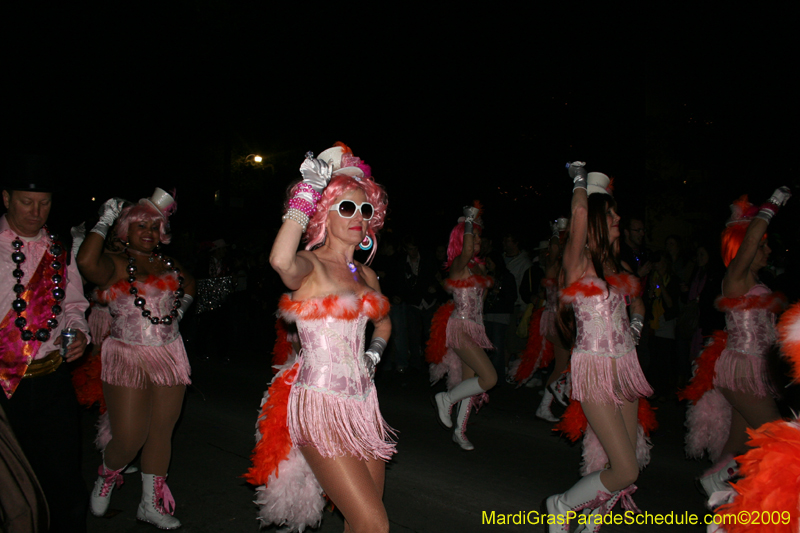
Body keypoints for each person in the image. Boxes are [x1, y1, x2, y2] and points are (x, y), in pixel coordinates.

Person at [257, 144, 393, 533]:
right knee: (374, 524)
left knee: (360, 521)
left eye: (365, 210)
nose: (358, 218)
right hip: (320, 405)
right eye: (346, 208)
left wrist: (374, 356)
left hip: (364, 405)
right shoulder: (311, 264)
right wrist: (306, 192)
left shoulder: (366, 275)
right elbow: (280, 261)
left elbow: (383, 324)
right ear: (325, 215)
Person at [76, 188, 195, 530]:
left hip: (170, 354)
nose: (149, 232)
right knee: (129, 437)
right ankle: (107, 475)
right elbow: (85, 263)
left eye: (155, 227)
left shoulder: (168, 264)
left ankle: (149, 504)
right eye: (141, 225)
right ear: (125, 229)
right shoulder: (114, 264)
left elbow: (191, 286)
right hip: (126, 355)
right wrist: (105, 219)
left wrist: (179, 312)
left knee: (161, 433)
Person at [545, 164, 652, 532]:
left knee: (627, 456)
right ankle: (560, 505)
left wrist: (633, 331)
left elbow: (637, 303)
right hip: (594, 369)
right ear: (593, 221)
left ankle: (592, 524)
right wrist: (579, 177)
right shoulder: (576, 262)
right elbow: (577, 211)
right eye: (610, 213)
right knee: (626, 469)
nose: (619, 217)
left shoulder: (613, 263)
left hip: (626, 366)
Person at [682, 189, 791, 503]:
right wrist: (775, 202)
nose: (767, 249)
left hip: (752, 369)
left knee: (740, 445)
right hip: (743, 369)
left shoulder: (755, 281)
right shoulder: (735, 277)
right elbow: (754, 234)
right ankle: (723, 486)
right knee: (778, 436)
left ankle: (720, 492)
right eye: (762, 245)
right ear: (745, 247)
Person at [0, 163, 91, 533]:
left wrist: (79, 331)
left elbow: (73, 306)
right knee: (14, 490)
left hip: (52, 381)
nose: (36, 212)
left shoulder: (59, 249)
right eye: (26, 202)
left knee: (65, 482)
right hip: (4, 386)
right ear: (6, 198)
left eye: (44, 203)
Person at [432, 205, 497, 450]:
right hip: (460, 327)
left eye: (480, 235)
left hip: (476, 328)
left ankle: (460, 431)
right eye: (474, 235)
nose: (478, 240)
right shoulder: (460, 263)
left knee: (470, 383)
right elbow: (468, 249)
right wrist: (469, 218)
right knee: (489, 378)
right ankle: (445, 398)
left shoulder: (481, 267)